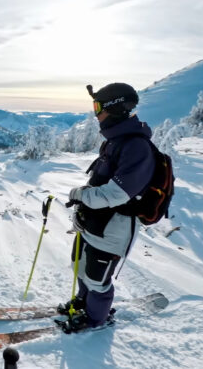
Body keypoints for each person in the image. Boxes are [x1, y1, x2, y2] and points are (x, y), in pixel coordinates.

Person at [59, 83, 154, 332]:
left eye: (98, 106)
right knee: (80, 266)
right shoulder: (115, 142)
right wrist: (82, 206)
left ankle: (96, 319)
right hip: (95, 222)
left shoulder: (136, 147)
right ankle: (82, 302)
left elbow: (116, 193)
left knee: (98, 279)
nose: (95, 112)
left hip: (115, 228)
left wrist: (80, 194)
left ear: (113, 107)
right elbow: (99, 182)